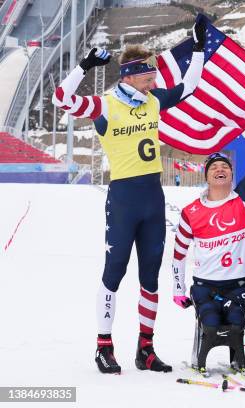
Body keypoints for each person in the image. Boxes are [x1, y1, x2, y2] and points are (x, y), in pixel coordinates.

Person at [52, 20, 207, 374]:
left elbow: (191, 86)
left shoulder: (152, 100)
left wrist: (198, 48)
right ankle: (103, 346)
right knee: (114, 272)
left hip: (153, 196)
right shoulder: (106, 104)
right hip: (123, 197)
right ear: (129, 77)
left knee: (150, 277)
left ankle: (146, 348)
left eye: (153, 77)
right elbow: (61, 99)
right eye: (147, 77)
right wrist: (84, 66)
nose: (154, 82)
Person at [171, 102, 245, 373]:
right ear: (206, 176)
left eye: (225, 166)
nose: (220, 169)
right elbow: (179, 253)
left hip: (236, 285)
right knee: (209, 323)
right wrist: (177, 289)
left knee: (233, 323)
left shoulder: (241, 200)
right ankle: (201, 354)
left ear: (232, 174)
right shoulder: (191, 211)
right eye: (213, 167)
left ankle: (236, 356)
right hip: (204, 286)